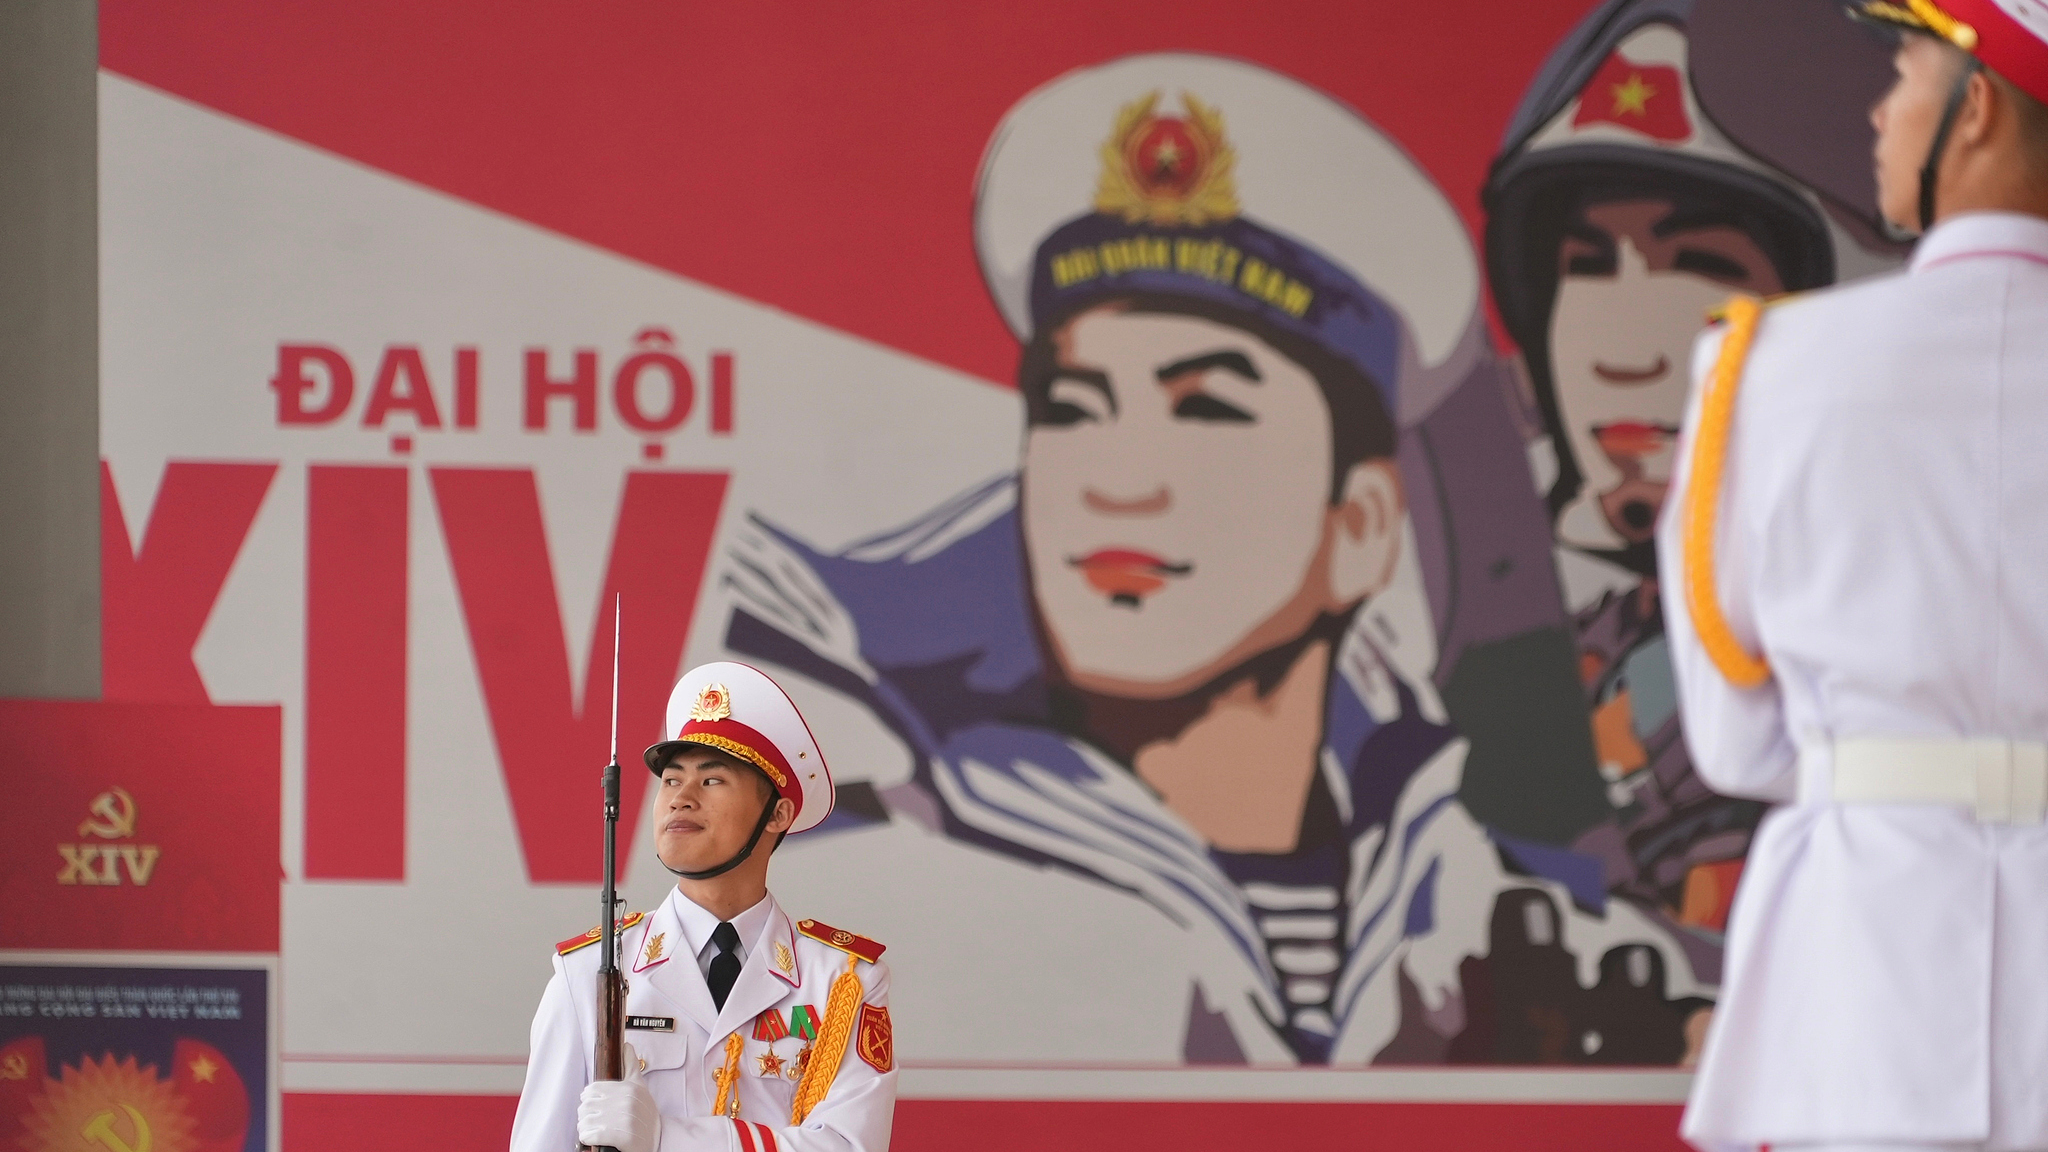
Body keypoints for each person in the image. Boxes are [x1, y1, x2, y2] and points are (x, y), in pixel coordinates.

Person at [721, 52, 1709, 1067]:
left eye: (1204, 408)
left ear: (1361, 525)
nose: (1116, 481)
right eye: (1072, 408)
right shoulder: (857, 897)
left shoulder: (1481, 918)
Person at [1661, 0, 2048, 1147]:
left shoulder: (1769, 369)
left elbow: (1737, 743)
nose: (1879, 111)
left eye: (1904, 70)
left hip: (1867, 966)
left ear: (1972, 108)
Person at [1483, 0, 1904, 949]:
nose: (1620, 354)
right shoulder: (1470, 609)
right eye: (1586, 268)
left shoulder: (1911, 606)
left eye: (1702, 264)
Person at [510, 662, 896, 1152]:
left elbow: (849, 1146)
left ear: (778, 813)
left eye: (712, 781)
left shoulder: (843, 981)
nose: (681, 799)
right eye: (671, 781)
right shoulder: (586, 972)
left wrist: (668, 1138)